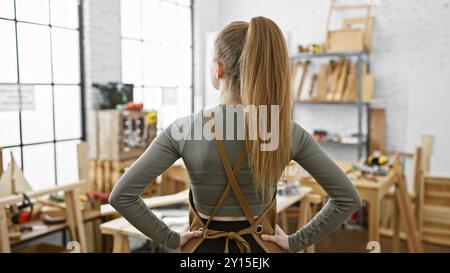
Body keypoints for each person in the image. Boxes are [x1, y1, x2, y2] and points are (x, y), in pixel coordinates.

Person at [109, 16, 362, 253]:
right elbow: (347, 199)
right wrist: (296, 242)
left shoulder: (182, 129)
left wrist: (171, 238)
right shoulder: (283, 130)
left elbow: (122, 196)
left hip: (201, 251)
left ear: (218, 69)